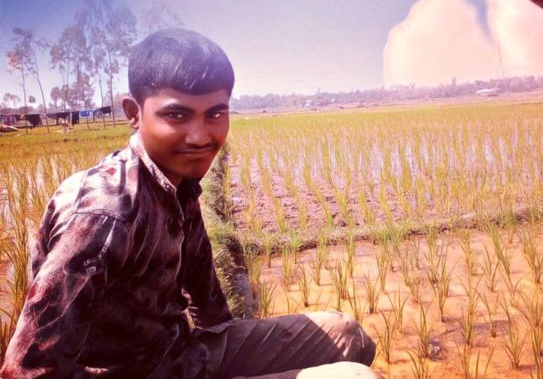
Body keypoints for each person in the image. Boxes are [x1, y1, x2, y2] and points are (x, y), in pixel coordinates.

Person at [2, 29, 377, 379]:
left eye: (215, 114)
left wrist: (236, 359)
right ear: (133, 112)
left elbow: (206, 295)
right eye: (177, 115)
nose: (200, 136)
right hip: (130, 372)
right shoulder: (105, 214)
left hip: (181, 354)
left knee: (347, 336)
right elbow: (27, 369)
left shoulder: (178, 185)